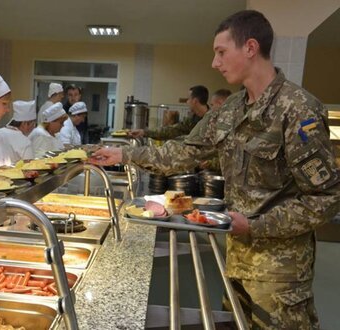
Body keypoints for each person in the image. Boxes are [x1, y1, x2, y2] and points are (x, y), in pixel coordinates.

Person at [91, 10, 340, 329]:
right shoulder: (233, 110)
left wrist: (256, 225)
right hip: (236, 259)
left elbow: (325, 198)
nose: (214, 62)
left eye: (221, 52)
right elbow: (184, 151)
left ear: (250, 48)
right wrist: (121, 154)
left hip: (281, 275)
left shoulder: (298, 110)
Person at [132, 85, 210, 141]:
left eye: (188, 99)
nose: (187, 102)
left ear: (195, 101)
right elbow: (171, 130)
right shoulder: (191, 120)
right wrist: (144, 132)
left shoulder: (213, 120)